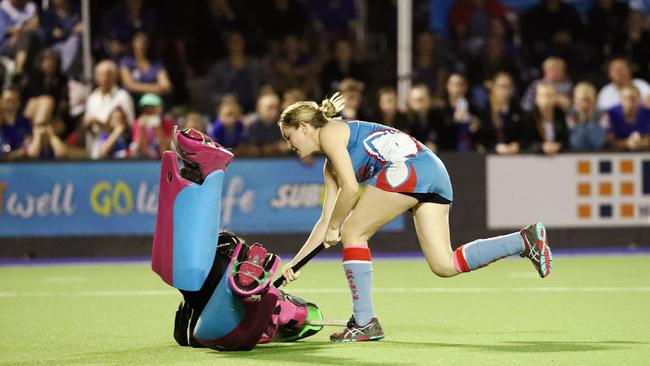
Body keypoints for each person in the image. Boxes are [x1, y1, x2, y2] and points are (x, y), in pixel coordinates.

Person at [277, 93, 553, 342]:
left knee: (353, 232)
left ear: (304, 127)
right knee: (444, 264)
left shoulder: (331, 132)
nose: (288, 144)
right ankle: (523, 241)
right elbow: (325, 221)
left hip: (410, 168)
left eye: (289, 136)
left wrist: (337, 226)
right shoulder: (330, 166)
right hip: (432, 171)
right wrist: (297, 263)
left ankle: (364, 322)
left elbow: (349, 192)